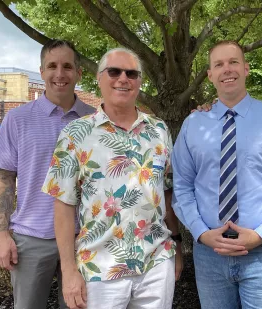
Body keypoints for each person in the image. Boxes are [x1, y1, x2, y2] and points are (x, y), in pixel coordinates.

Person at [172, 40, 262, 309]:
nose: (227, 70)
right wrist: (200, 233)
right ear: (210, 75)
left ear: (246, 68)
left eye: (233, 62)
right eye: (218, 64)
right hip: (209, 256)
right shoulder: (193, 125)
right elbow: (181, 186)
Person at [43, 47, 183, 309]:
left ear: (140, 81)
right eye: (114, 71)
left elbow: (166, 192)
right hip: (100, 269)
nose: (123, 78)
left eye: (131, 73)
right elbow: (63, 205)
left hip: (156, 263)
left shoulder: (159, 130)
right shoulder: (75, 134)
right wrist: (69, 270)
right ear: (98, 78)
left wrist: (177, 246)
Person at [0, 39, 96, 309]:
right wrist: (1, 235)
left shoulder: (96, 121)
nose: (60, 73)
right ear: (41, 71)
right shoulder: (18, 118)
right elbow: (4, 179)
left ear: (79, 73)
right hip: (31, 237)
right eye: (52, 66)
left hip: (84, 239)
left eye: (67, 66)